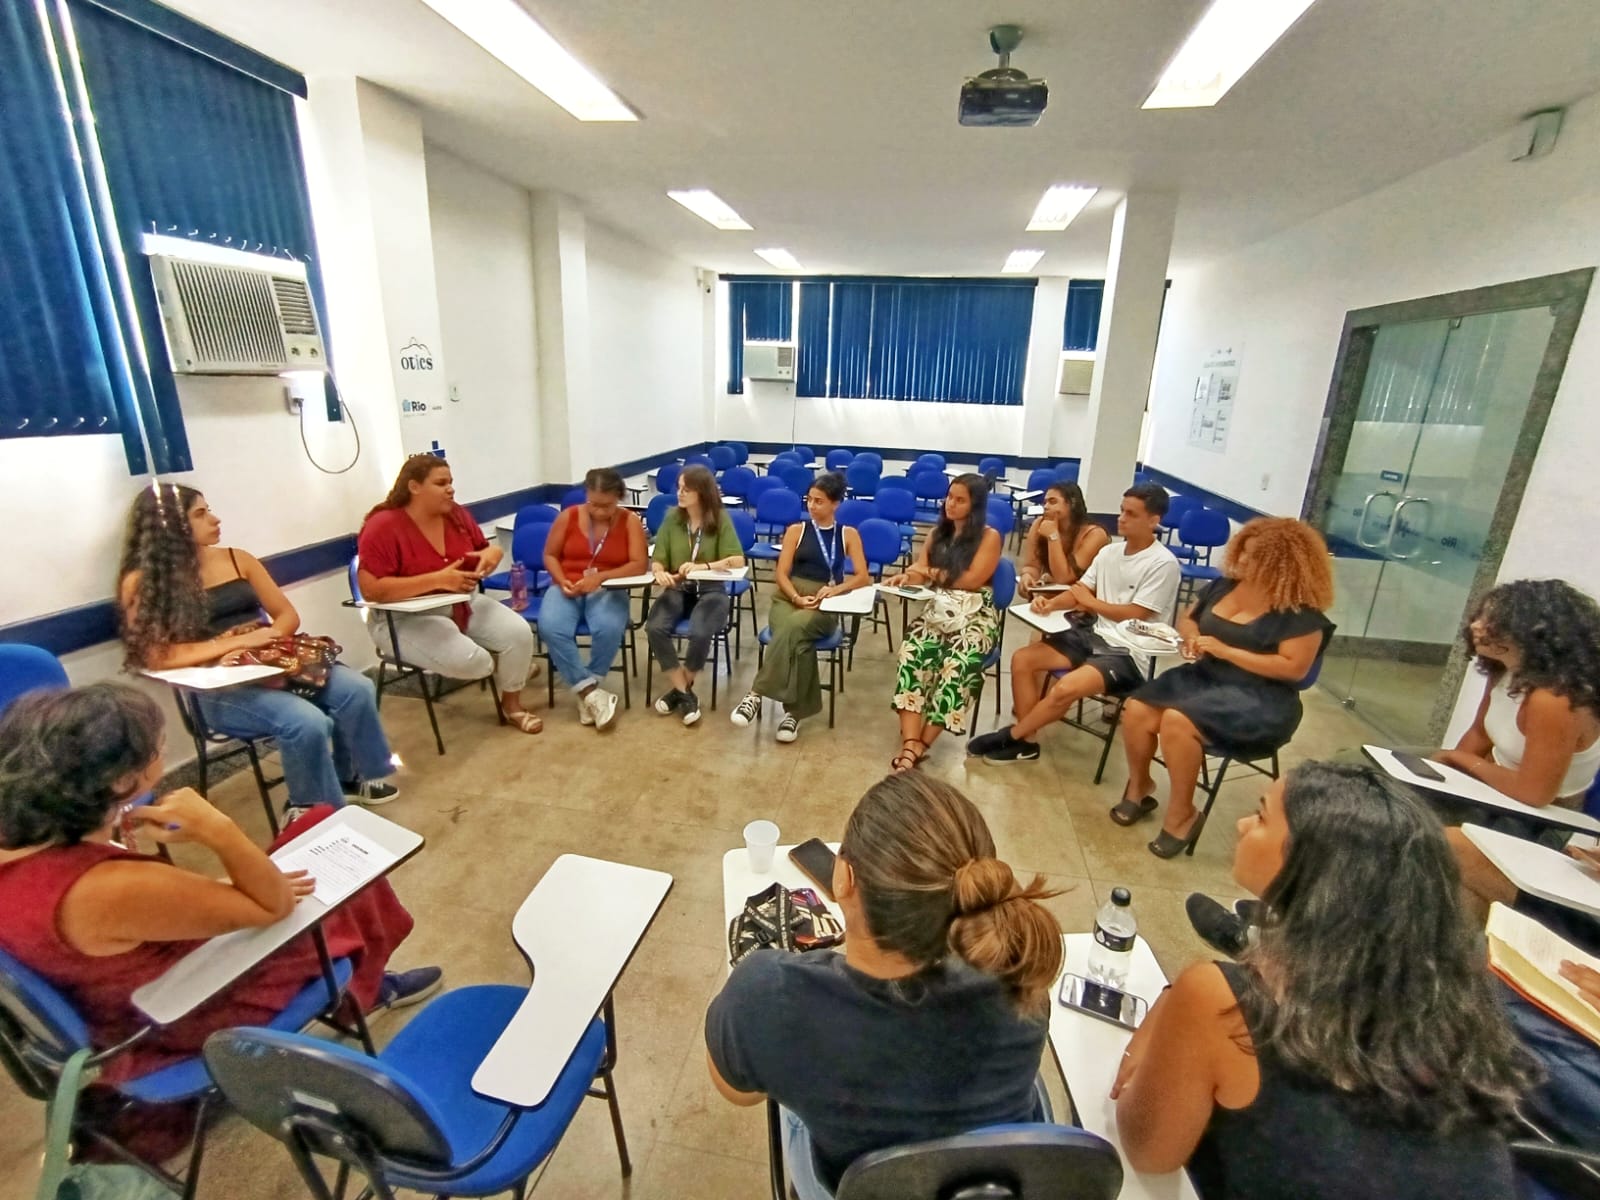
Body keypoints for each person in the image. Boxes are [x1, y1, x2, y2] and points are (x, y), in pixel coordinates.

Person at [1114, 761, 1531, 1199]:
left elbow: (1147, 1151)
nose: (1240, 826)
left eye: (1259, 817)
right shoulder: (1460, 1001)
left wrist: (1167, 1016)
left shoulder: (1221, 1001)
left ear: (1312, 864)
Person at [0, 684, 438, 1092]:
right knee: (333, 889)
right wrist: (217, 828)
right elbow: (276, 906)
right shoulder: (107, 886)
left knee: (316, 823)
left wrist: (218, 886)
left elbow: (133, 914)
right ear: (119, 780)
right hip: (186, 1009)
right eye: (157, 747)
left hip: (117, 982)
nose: (162, 751)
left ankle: (363, 979)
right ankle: (366, 987)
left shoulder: (24, 843)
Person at [704, 772, 1062, 1198]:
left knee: (786, 1092)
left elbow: (736, 1091)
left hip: (857, 1186)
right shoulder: (1023, 975)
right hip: (991, 1182)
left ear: (843, 879)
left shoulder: (770, 995)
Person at [118, 483, 399, 811]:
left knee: (358, 688)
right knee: (306, 721)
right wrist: (235, 644)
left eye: (209, 509)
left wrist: (268, 639)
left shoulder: (239, 559)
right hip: (219, 691)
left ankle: (349, 777)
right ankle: (307, 808)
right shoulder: (141, 582)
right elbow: (156, 655)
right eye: (201, 514)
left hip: (273, 665)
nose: (215, 519)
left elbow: (286, 615)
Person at [1116, 517, 1334, 857]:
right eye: (1243, 553)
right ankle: (1140, 785)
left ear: (1283, 563)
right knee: (1137, 708)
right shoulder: (1225, 586)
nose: (1243, 562)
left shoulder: (1300, 613)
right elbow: (1189, 618)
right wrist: (1191, 638)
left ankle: (1182, 814)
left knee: (1177, 720)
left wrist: (1227, 651)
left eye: (1255, 558)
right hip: (1205, 677)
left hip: (1261, 697)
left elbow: (1293, 668)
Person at [968, 483, 1179, 765]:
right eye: (1121, 511)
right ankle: (1028, 743)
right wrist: (1051, 603)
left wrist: (1089, 603)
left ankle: (1014, 735)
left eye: (1131, 514)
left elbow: (1135, 613)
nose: (1121, 518)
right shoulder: (1110, 554)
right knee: (1022, 660)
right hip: (1092, 635)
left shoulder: (1163, 563)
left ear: (1154, 520)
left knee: (1064, 689)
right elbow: (1079, 589)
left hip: (1129, 651)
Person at [1433, 580, 1600, 918]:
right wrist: (1436, 775)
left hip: (1539, 819)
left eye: (1494, 621)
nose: (1476, 626)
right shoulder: (1505, 672)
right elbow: (1479, 734)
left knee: (1437, 849)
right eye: (1481, 616)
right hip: (1494, 792)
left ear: (1534, 632)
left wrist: (1458, 760)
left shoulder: (1554, 699)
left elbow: (1534, 792)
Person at [357, 455, 542, 733]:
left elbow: (485, 548)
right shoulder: (383, 525)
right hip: (403, 618)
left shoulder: (455, 514)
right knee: (476, 663)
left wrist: (492, 555)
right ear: (414, 487)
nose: (450, 489)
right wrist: (436, 579)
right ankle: (510, 668)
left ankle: (512, 705)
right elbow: (372, 589)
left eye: (451, 482)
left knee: (519, 633)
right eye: (441, 483)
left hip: (460, 604)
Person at [730, 473, 870, 744]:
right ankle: (794, 714)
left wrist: (834, 590)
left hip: (825, 602)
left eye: (819, 501)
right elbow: (781, 574)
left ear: (836, 504)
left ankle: (755, 694)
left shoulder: (847, 534)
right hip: (788, 596)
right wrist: (795, 598)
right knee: (798, 641)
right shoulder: (796, 530)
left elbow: (863, 576)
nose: (812, 506)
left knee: (794, 629)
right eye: (809, 500)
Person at [885, 473, 1004, 772]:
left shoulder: (989, 536)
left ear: (975, 505)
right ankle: (910, 743)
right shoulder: (938, 534)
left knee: (958, 664)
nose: (951, 504)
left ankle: (921, 745)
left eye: (960, 499)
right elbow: (919, 569)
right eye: (949, 497)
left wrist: (931, 572)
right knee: (912, 651)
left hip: (977, 614)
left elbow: (972, 580)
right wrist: (908, 576)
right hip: (941, 610)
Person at [539, 468, 650, 729]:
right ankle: (591, 694)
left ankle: (586, 692)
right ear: (586, 495)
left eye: (607, 505)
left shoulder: (630, 521)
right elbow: (550, 555)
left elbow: (638, 564)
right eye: (593, 504)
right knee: (551, 627)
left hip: (608, 587)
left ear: (619, 497)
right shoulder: (568, 517)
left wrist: (600, 578)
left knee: (608, 628)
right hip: (568, 585)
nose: (599, 511)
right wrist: (560, 578)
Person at [647, 465, 747, 726]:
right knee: (655, 627)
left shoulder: (720, 519)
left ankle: (679, 691)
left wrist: (704, 566)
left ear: (701, 493)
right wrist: (659, 572)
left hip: (710, 588)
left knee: (701, 631)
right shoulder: (672, 519)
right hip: (679, 587)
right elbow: (658, 558)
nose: (679, 494)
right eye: (679, 488)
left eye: (686, 490)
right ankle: (684, 692)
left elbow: (737, 560)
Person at [1016, 481, 1108, 597]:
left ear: (1072, 503)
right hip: (1050, 596)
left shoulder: (1094, 534)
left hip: (1082, 600)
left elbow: (1064, 578)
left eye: (1053, 502)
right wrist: (1027, 576)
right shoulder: (1039, 524)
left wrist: (1053, 537)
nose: (1046, 507)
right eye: (1045, 502)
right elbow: (1031, 566)